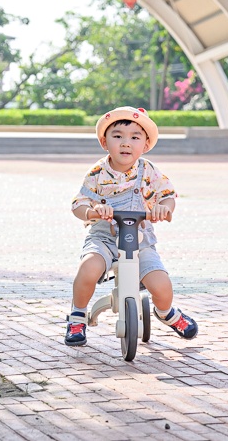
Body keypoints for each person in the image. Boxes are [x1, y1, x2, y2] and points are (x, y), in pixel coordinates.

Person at [65, 106, 198, 347]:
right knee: (88, 270)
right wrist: (93, 211)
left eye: (134, 138)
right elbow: (78, 204)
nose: (126, 143)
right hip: (104, 237)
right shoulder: (97, 172)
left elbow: (167, 194)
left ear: (145, 145)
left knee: (161, 284)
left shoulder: (148, 171)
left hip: (140, 238)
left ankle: (166, 313)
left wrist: (164, 208)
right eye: (118, 137)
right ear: (105, 142)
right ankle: (78, 315)